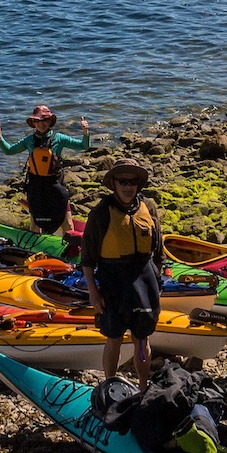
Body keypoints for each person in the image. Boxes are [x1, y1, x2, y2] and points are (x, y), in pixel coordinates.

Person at [81, 158, 165, 388]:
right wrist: (93, 292)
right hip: (113, 280)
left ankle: (143, 386)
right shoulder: (101, 212)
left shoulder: (148, 207)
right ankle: (109, 384)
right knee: (114, 337)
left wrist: (157, 279)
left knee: (141, 338)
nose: (128, 187)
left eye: (133, 182)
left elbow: (158, 249)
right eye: (123, 182)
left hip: (144, 279)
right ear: (114, 184)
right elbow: (87, 259)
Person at [0, 105, 91, 234]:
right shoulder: (29, 140)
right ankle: (35, 249)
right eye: (37, 121)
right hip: (36, 186)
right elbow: (10, 151)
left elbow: (84, 146)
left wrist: (85, 131)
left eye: (44, 120)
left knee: (68, 223)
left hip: (56, 185)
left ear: (50, 121)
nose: (41, 124)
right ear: (33, 123)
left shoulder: (59, 139)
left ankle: (69, 249)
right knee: (35, 224)